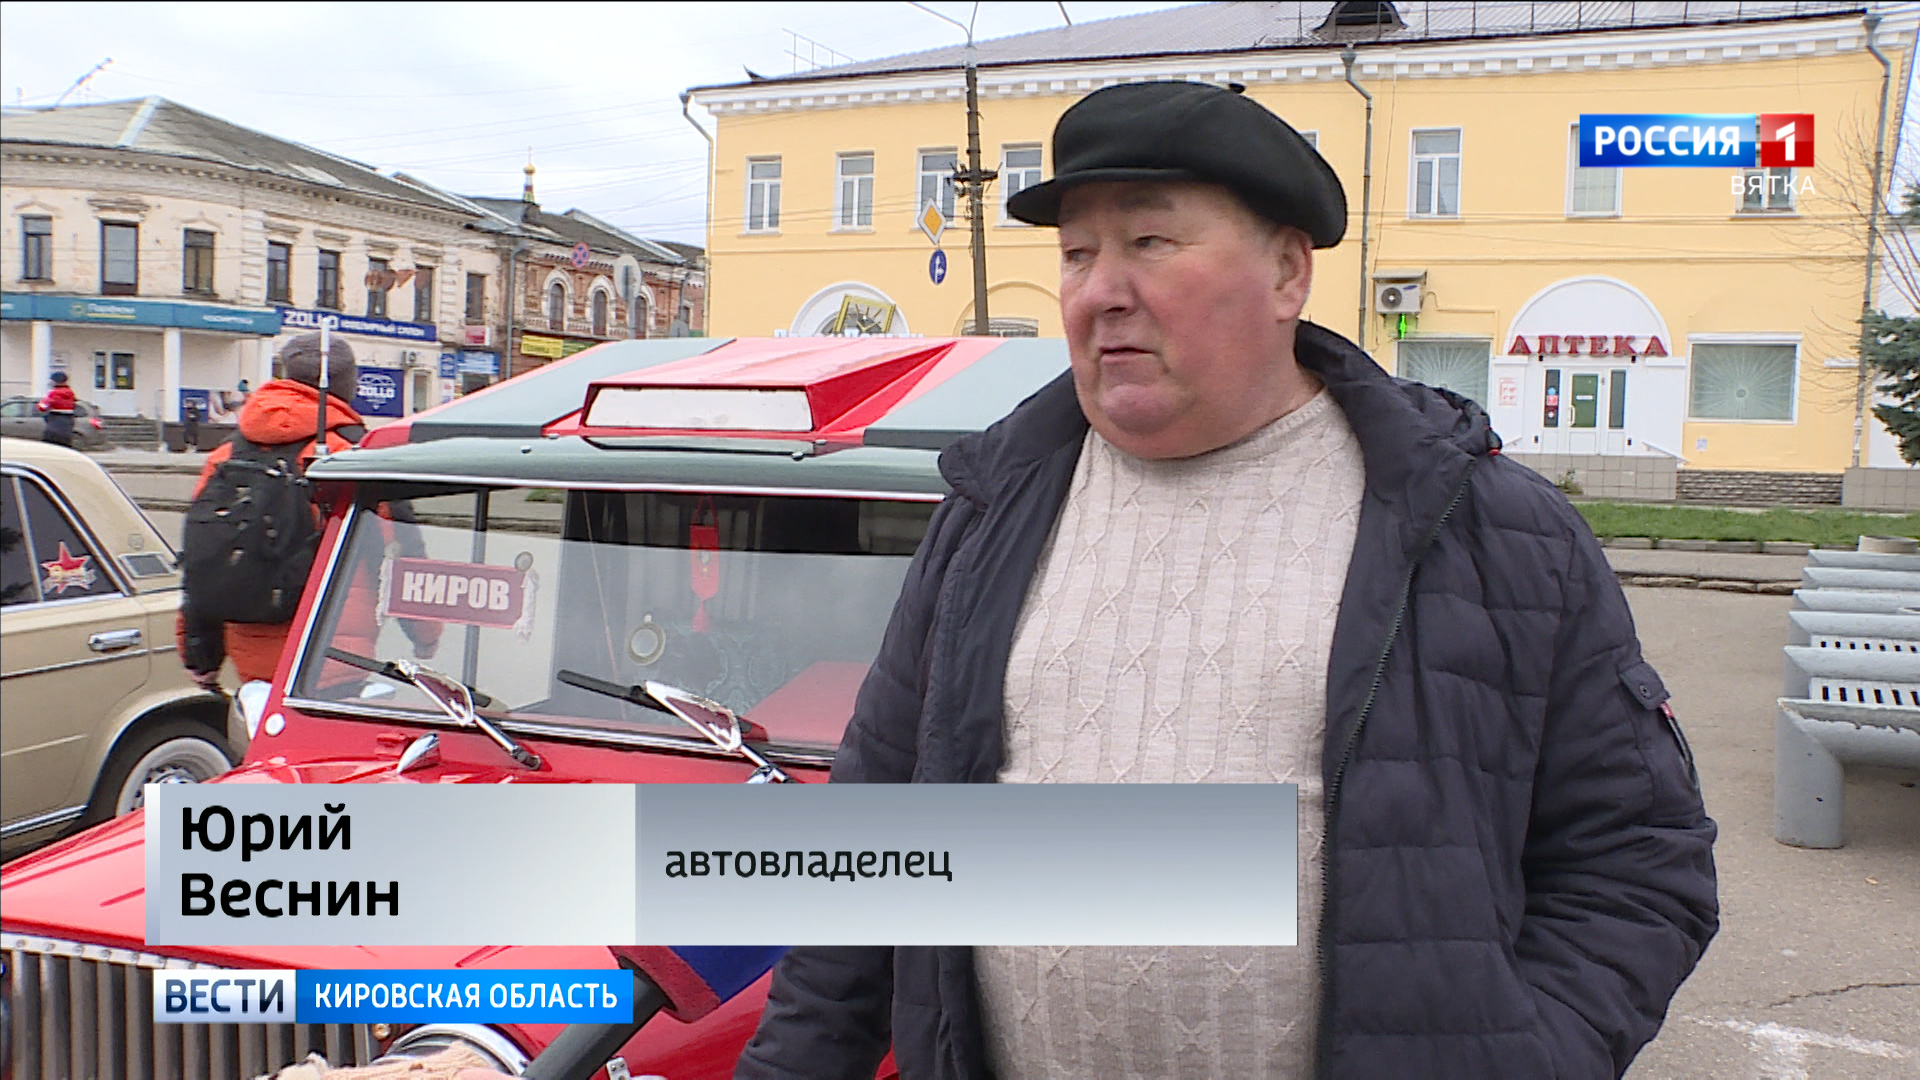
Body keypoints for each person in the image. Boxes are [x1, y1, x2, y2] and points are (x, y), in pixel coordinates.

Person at [730, 82, 1719, 1080]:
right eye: (1077, 253)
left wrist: (1521, 1057)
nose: (1097, 290)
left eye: (1149, 243)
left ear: (1289, 272)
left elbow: (1638, 862)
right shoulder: (985, 519)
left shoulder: (1491, 534)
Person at [178, 332, 436, 692]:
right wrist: (426, 636)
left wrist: (200, 657)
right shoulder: (353, 457)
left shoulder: (227, 456)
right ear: (347, 386)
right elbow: (406, 556)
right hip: (335, 658)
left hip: (252, 665)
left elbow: (203, 557)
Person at [36, 371, 76, 447]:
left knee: (52, 443)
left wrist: (41, 404)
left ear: (55, 381)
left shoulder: (54, 393)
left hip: (56, 420)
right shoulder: (70, 393)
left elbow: (43, 406)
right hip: (68, 420)